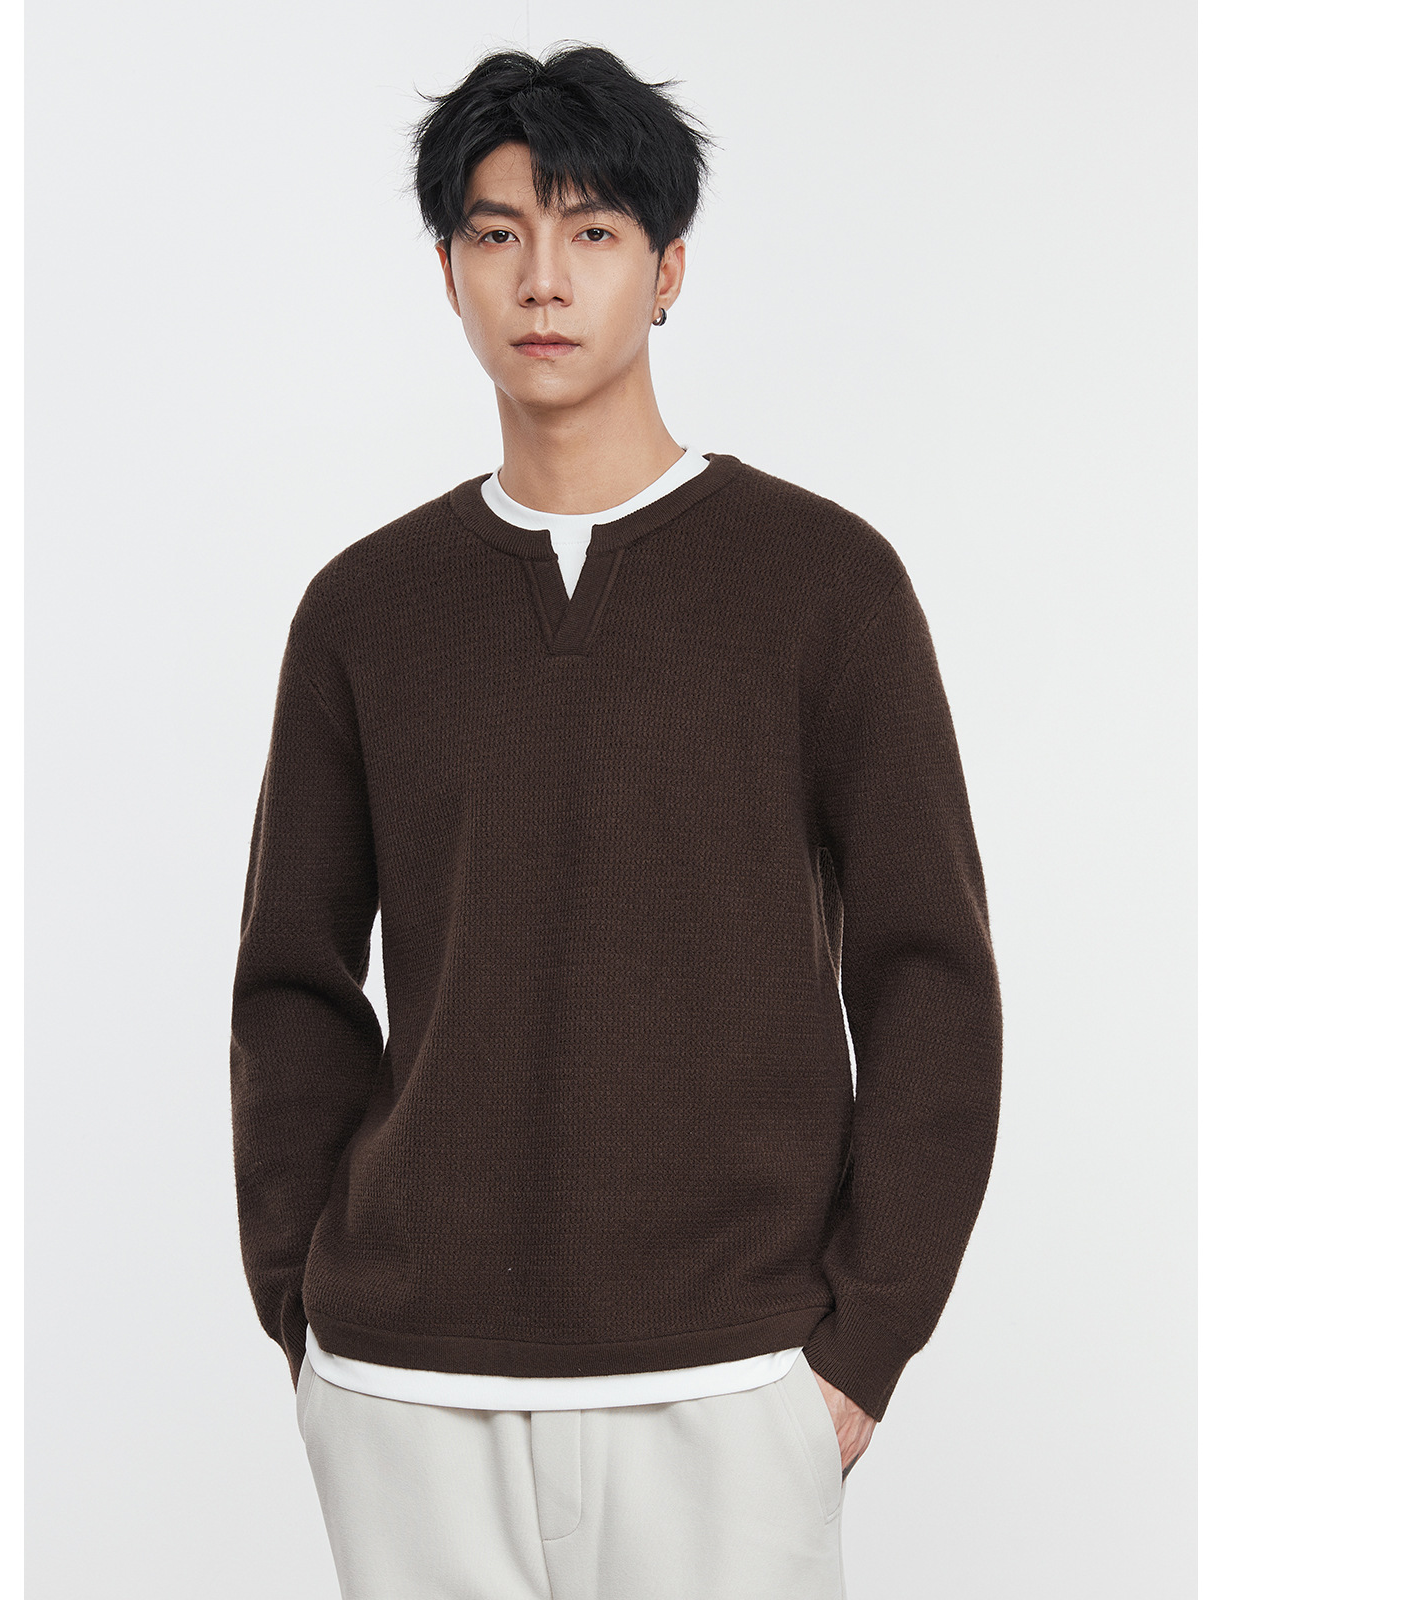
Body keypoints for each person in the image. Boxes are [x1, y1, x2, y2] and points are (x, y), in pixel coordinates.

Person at [230, 41, 1001, 1600]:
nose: (544, 278)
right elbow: (292, 985)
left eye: (591, 230)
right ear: (448, 271)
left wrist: (862, 1345)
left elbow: (929, 977)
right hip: (407, 1390)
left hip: (733, 1382)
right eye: (498, 233)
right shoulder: (364, 610)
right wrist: (308, 1318)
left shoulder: (823, 584)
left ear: (668, 270)